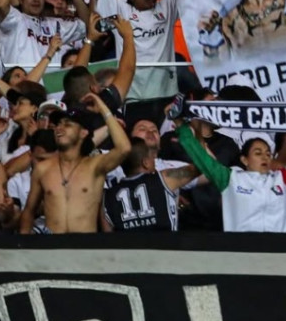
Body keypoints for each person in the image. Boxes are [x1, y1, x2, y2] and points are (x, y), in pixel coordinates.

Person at [177, 122, 286, 233]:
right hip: (243, 255)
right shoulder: (230, 178)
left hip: (280, 256)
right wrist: (182, 126)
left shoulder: (283, 179)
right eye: (258, 153)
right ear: (244, 160)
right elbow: (200, 157)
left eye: (268, 154)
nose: (265, 158)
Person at [20, 94, 131, 234]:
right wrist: (23, 247)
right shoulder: (43, 169)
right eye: (58, 124)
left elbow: (124, 148)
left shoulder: (95, 166)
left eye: (67, 124)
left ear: (83, 133)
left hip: (85, 247)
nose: (59, 128)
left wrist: (102, 107)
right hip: (53, 248)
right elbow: (29, 211)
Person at [103, 138, 197, 232]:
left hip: (130, 246)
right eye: (152, 157)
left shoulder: (106, 198)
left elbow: (108, 240)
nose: (155, 161)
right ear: (146, 163)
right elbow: (205, 166)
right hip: (167, 245)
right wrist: (191, 141)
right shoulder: (165, 179)